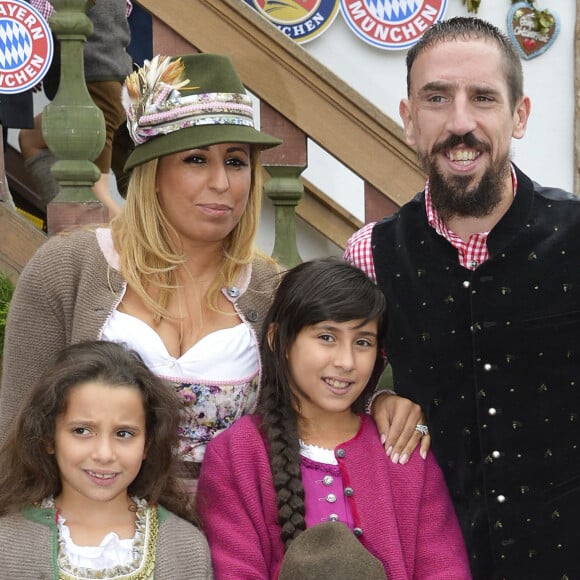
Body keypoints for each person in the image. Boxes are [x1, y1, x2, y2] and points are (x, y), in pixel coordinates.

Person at [345, 15, 580, 579]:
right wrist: (375, 401)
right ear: (408, 120)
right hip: (440, 563)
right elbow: (332, 391)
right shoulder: (370, 253)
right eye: (436, 98)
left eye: (482, 98)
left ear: (518, 115)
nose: (460, 123)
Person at [0, 53, 282, 489]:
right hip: (86, 539)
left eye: (236, 160)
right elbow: (17, 433)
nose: (222, 183)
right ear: (152, 172)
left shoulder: (271, 291)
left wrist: (386, 402)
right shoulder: (68, 268)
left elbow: (318, 422)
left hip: (234, 543)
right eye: (195, 160)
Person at [196, 258, 470, 579]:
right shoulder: (236, 454)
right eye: (327, 337)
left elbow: (444, 569)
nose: (346, 361)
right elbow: (236, 570)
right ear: (278, 339)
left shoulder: (400, 448)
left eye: (363, 342)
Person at [0, 340, 213, 578]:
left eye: (124, 434)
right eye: (82, 431)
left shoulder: (185, 549)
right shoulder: (8, 546)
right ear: (49, 437)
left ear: (147, 444)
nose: (104, 454)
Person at [19, 0, 133, 216]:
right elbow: (125, 10)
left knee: (98, 193)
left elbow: (42, 16)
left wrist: (32, 67)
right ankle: (70, 217)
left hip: (92, 92)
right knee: (31, 136)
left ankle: (130, 241)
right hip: (119, 89)